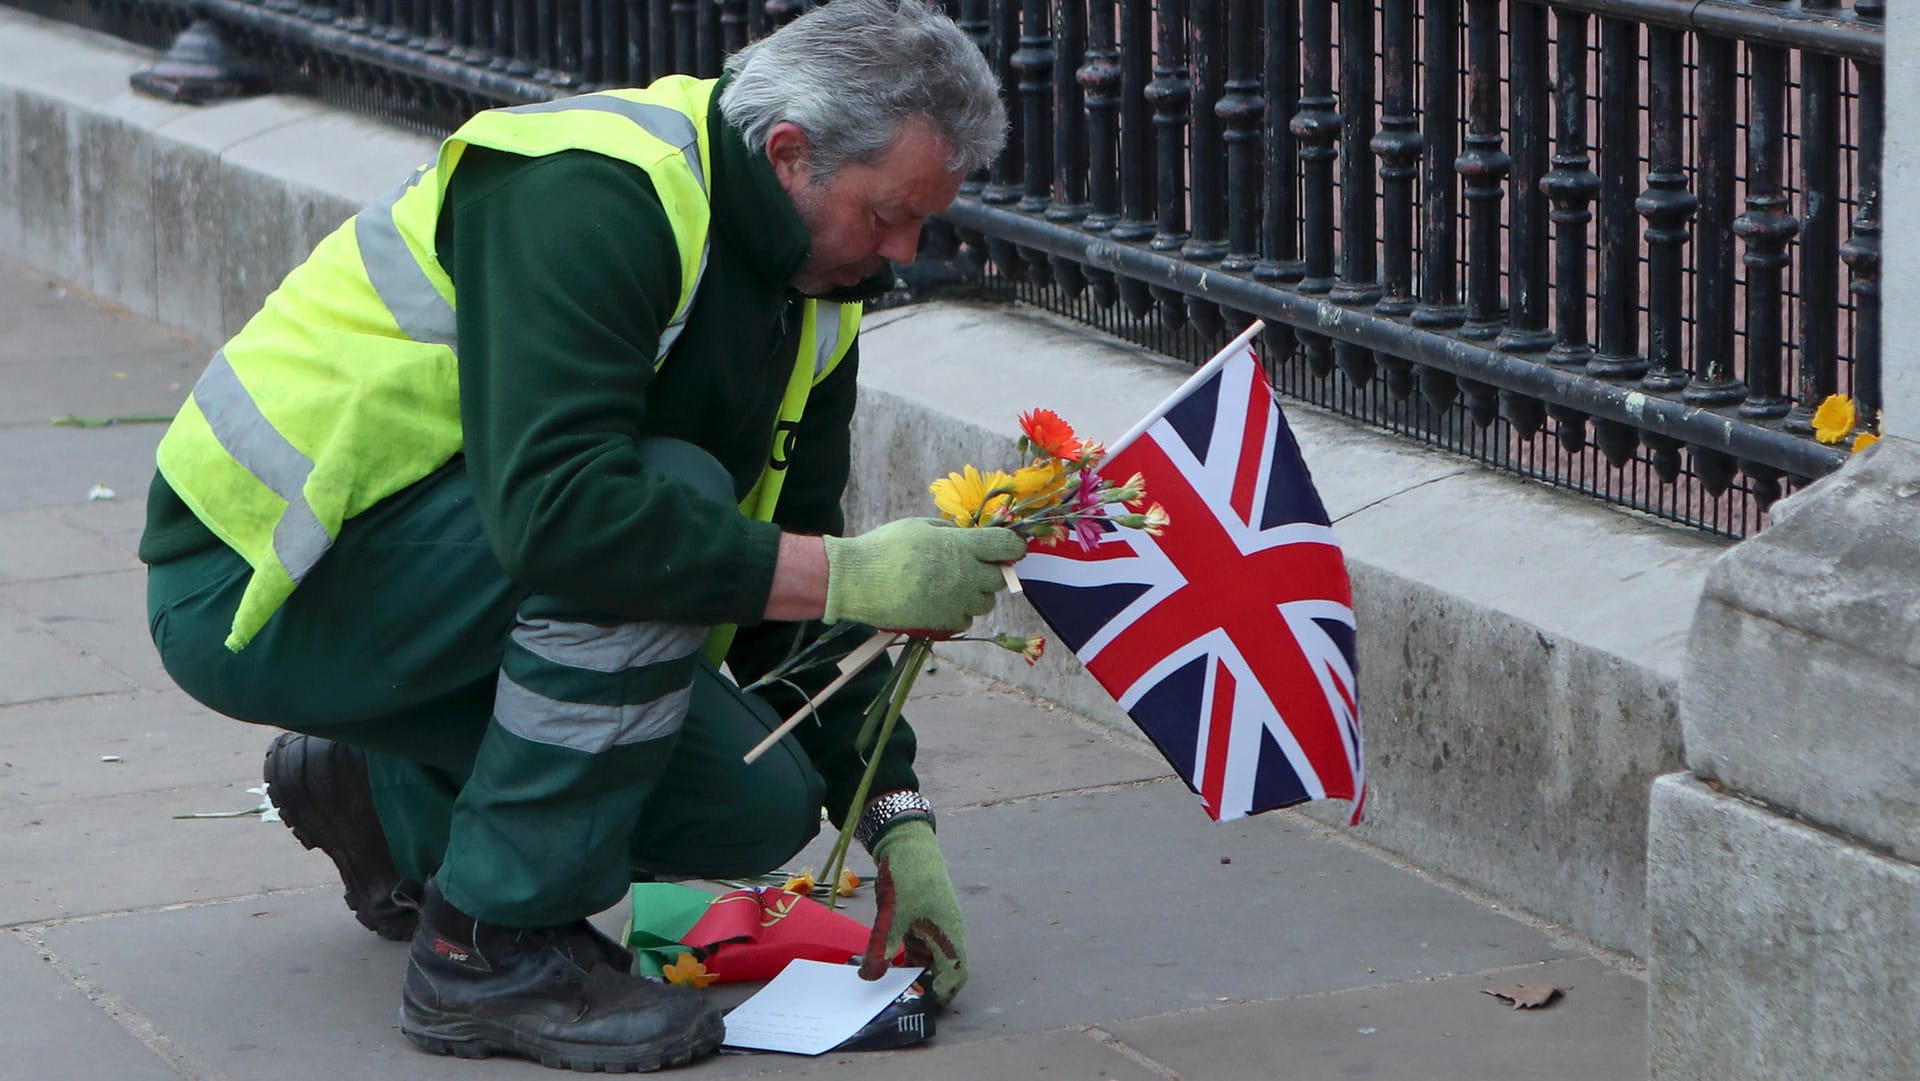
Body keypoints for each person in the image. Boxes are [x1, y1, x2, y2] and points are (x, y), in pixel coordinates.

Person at [139, 0, 1023, 1070]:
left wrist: (897, 821)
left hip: (425, 588)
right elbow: (564, 517)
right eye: (886, 216)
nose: (903, 253)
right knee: (668, 489)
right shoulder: (593, 190)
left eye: (923, 224)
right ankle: (487, 952)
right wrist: (846, 575)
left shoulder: (815, 296)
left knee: (755, 798)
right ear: (789, 155)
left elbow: (794, 599)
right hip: (255, 583)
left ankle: (377, 784)